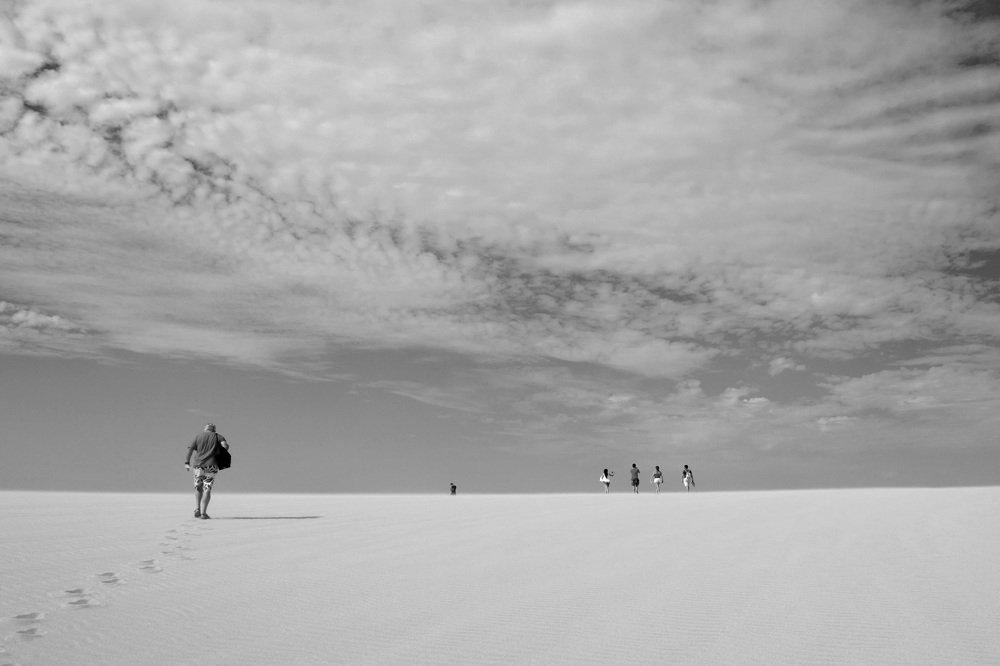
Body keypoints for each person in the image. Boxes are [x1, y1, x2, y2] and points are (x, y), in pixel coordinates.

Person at [184, 423, 229, 519]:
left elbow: (190, 450)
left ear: (205, 429)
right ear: (214, 430)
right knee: (207, 489)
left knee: (198, 487)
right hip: (211, 466)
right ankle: (204, 513)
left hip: (198, 466)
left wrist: (187, 462)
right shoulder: (218, 436)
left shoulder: (198, 436)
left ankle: (197, 508)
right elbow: (225, 446)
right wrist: (220, 453)